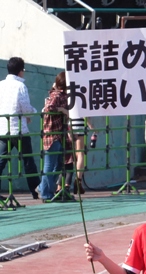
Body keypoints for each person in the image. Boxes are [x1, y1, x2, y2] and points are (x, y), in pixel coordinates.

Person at [0, 57, 41, 200]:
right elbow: (25, 107)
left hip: (3, 129)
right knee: (28, 161)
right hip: (19, 130)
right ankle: (36, 191)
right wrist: (32, 113)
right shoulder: (20, 86)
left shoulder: (1, 85)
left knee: (1, 161)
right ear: (20, 71)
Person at [38, 71, 72, 202]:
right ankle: (45, 192)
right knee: (50, 165)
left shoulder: (58, 94)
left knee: (58, 164)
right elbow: (49, 108)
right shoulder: (57, 95)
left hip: (56, 135)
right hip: (52, 134)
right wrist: (62, 110)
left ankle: (43, 188)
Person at [71, 117, 94, 194]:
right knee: (80, 153)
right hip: (79, 124)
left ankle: (77, 181)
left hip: (70, 123)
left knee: (75, 152)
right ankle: (78, 180)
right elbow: (83, 113)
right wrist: (91, 125)